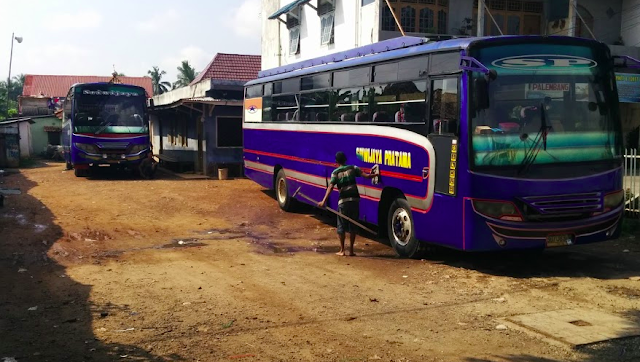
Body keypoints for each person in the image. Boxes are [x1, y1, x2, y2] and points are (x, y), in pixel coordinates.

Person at [318, 152, 377, 256]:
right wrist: (375, 174)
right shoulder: (353, 168)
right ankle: (351, 251)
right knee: (353, 224)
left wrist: (323, 201)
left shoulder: (335, 173)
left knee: (341, 225)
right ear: (345, 160)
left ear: (336, 162)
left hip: (343, 202)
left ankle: (342, 250)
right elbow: (367, 176)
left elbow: (331, 187)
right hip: (355, 200)